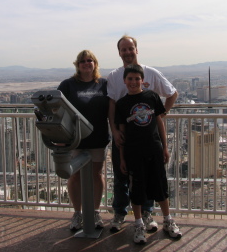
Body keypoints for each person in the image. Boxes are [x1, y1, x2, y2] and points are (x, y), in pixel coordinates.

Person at [107, 34, 178, 232]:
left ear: (136, 50)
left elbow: (172, 93)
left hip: (147, 138)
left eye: (131, 48)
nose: (127, 52)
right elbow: (112, 104)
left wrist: (159, 118)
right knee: (122, 176)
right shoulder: (114, 76)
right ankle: (120, 213)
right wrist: (114, 130)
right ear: (119, 52)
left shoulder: (151, 73)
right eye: (124, 49)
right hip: (123, 135)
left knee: (148, 176)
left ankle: (147, 214)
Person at [115, 64, 182, 244]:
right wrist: (122, 158)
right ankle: (138, 225)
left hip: (154, 149)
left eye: (137, 79)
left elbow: (160, 123)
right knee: (136, 189)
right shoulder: (121, 104)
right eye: (130, 79)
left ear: (143, 81)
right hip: (133, 152)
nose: (133, 82)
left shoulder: (152, 97)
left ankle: (167, 221)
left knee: (160, 186)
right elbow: (122, 134)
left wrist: (165, 147)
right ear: (124, 81)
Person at [57, 50, 110, 231]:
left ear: (95, 63)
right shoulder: (68, 85)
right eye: (82, 61)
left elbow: (112, 108)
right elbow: (58, 110)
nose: (86, 64)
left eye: (90, 60)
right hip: (75, 139)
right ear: (77, 65)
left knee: (97, 175)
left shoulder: (103, 84)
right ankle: (77, 213)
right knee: (74, 176)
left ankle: (95, 212)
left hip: (98, 137)